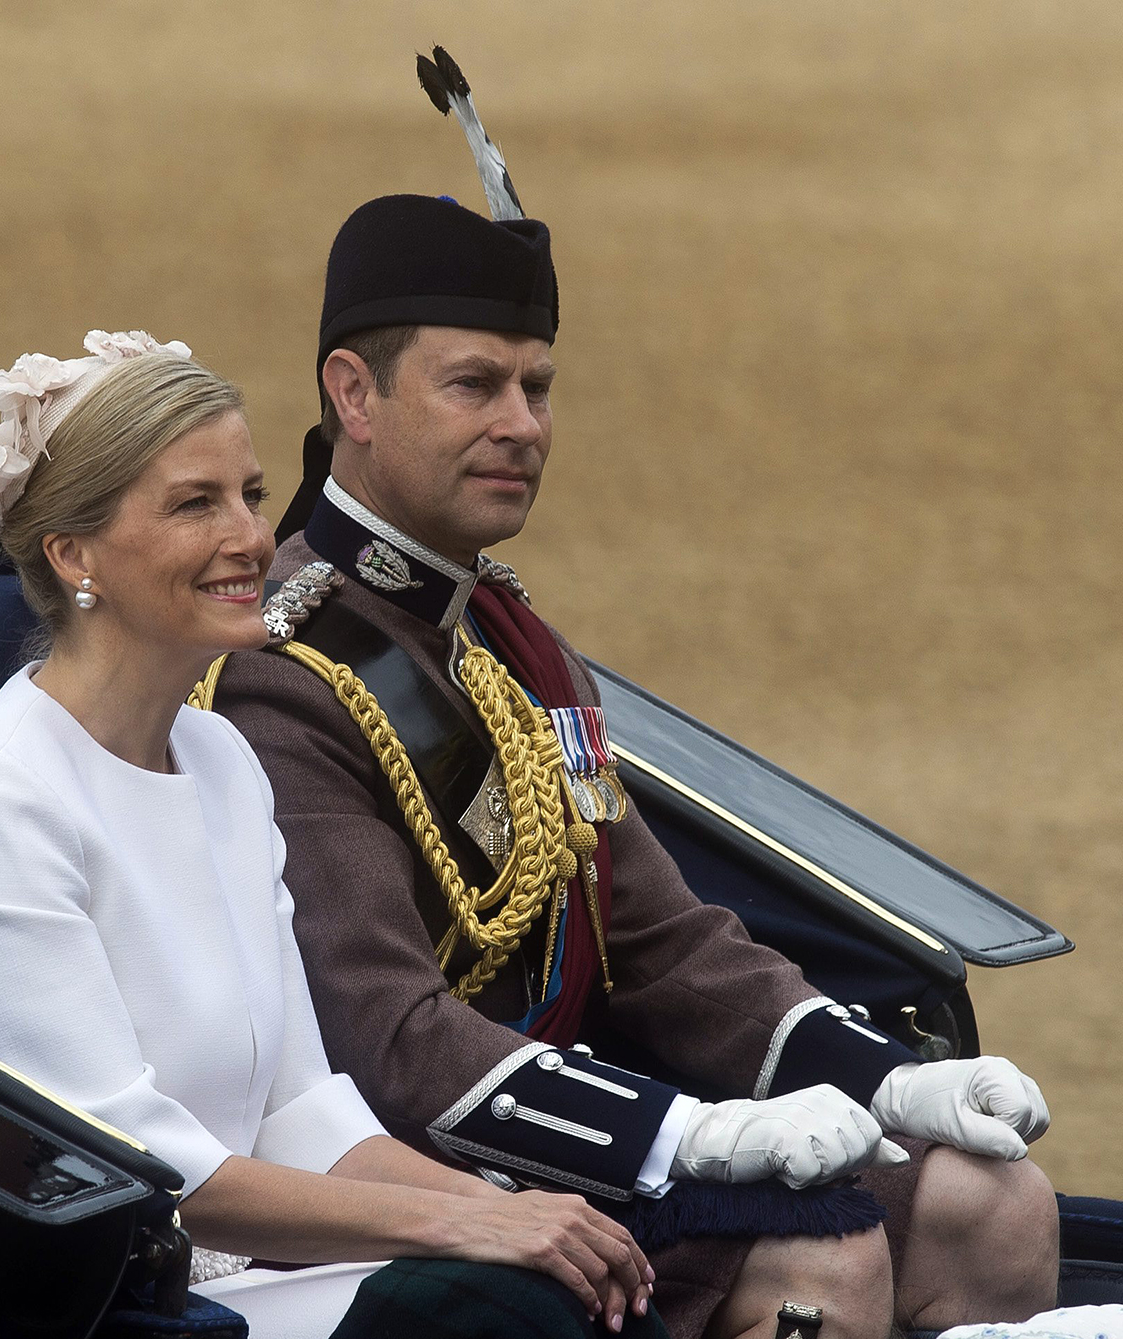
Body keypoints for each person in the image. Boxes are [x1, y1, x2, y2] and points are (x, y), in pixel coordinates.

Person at [202, 194, 1064, 1339]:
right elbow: (390, 1041)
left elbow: (655, 939)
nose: (522, 423)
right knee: (828, 1253)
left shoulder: (509, 643)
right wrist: (687, 1137)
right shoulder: (289, 667)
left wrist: (882, 1080)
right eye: (474, 385)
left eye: (538, 387)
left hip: (578, 1117)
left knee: (993, 1203)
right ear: (353, 394)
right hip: (421, 1175)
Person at [0, 331, 660, 1339]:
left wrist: (509, 1214)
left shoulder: (219, 758)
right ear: (74, 556)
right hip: (108, 1307)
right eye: (195, 503)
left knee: (576, 1290)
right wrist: (465, 1226)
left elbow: (301, 1112)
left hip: (244, 1281)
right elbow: (137, 1166)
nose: (251, 536)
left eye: (250, 493)